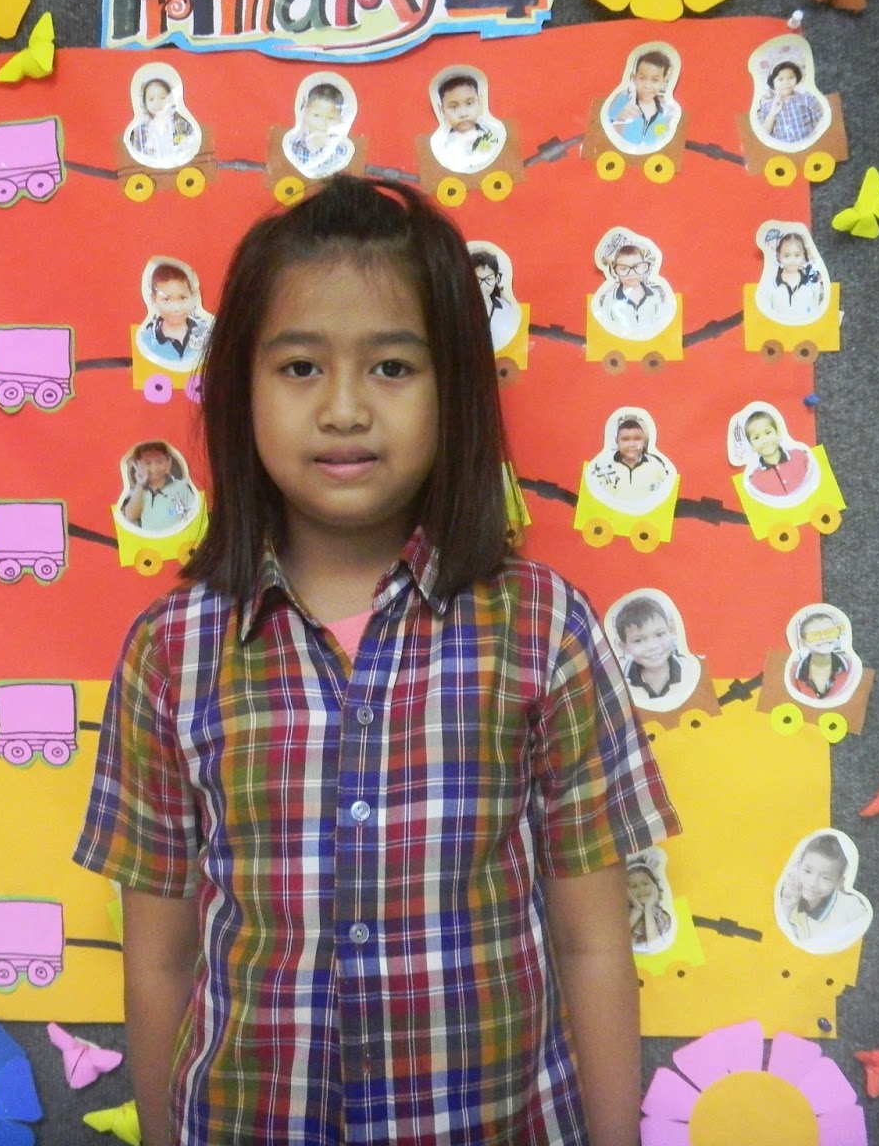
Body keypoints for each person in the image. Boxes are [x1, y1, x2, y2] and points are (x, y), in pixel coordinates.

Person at [75, 177, 679, 1145]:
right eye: (300, 367)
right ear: (239, 389)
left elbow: (592, 943)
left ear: (456, 388)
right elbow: (158, 962)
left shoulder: (543, 629)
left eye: (392, 367)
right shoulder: (171, 652)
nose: (345, 408)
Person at [777, 834, 871, 948]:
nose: (812, 883)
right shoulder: (788, 901)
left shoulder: (851, 909)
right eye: (807, 871)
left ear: (839, 882)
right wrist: (786, 908)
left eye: (825, 878)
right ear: (798, 866)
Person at [137, 262, 213, 368]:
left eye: (183, 298)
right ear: (154, 300)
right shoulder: (147, 339)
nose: (176, 308)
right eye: (166, 299)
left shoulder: (206, 332)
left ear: (192, 296)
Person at [430, 72, 506, 174]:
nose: (463, 114)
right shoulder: (442, 145)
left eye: (469, 103)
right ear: (442, 110)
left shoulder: (493, 136)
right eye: (453, 107)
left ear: (480, 102)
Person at [590, 414, 670, 511]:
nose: (632, 444)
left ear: (644, 441)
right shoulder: (602, 468)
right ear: (617, 441)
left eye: (637, 438)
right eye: (625, 439)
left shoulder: (657, 466)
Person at [604, 49, 679, 151]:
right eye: (642, 78)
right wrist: (620, 119)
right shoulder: (622, 100)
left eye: (655, 80)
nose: (647, 86)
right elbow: (604, 136)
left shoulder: (666, 111)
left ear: (664, 82)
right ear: (634, 78)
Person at [613, 595, 684, 704]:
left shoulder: (688, 668)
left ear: (670, 632)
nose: (652, 646)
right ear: (624, 647)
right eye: (638, 640)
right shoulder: (621, 681)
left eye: (660, 634)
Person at [593, 243, 672, 340]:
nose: (631, 273)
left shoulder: (655, 296)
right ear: (615, 270)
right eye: (623, 268)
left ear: (644, 267)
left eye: (636, 267)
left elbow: (662, 325)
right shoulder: (609, 299)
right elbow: (604, 329)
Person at [283, 81, 355, 179]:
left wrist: (327, 147)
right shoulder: (294, 144)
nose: (323, 123)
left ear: (340, 119)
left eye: (331, 118)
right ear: (306, 112)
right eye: (316, 115)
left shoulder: (341, 150)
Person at [119, 441, 196, 532]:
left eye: (160, 462)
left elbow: (193, 511)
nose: (154, 467)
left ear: (168, 463)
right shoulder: (137, 492)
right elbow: (130, 516)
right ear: (137, 466)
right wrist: (140, 484)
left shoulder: (180, 486)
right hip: (149, 540)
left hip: (178, 538)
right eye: (148, 463)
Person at [127, 74, 200, 168]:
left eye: (162, 98)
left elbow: (192, 145)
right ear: (144, 102)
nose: (157, 103)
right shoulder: (140, 130)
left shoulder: (181, 124)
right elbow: (136, 154)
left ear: (170, 99)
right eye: (151, 99)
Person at [741, 408, 813, 499]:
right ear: (752, 446)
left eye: (768, 433)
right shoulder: (755, 480)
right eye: (756, 438)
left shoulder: (800, 456)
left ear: (777, 433)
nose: (764, 440)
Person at [789, 610, 857, 703]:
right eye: (815, 635)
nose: (824, 638)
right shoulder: (792, 671)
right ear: (803, 643)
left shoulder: (852, 668)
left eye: (830, 632)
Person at [760, 230, 826, 323]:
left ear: (804, 255)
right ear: (778, 256)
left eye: (797, 255)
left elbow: (819, 307)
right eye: (787, 256)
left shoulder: (812, 283)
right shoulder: (771, 282)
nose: (792, 260)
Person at [754, 60, 824, 146]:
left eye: (791, 78)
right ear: (773, 82)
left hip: (808, 148)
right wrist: (772, 113)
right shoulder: (767, 106)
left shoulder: (807, 99)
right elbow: (764, 134)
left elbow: (821, 125)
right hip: (782, 152)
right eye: (780, 79)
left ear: (797, 78)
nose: (786, 83)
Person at [471, 247, 521, 351]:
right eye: (477, 280)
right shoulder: (459, 310)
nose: (483, 286)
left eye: (488, 279)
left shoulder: (508, 311)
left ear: (497, 279)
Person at [626, 859, 674, 951]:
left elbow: (655, 946)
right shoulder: (624, 918)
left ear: (655, 886)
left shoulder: (661, 916)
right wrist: (637, 909)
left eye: (645, 883)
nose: (641, 889)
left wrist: (648, 909)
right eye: (634, 886)